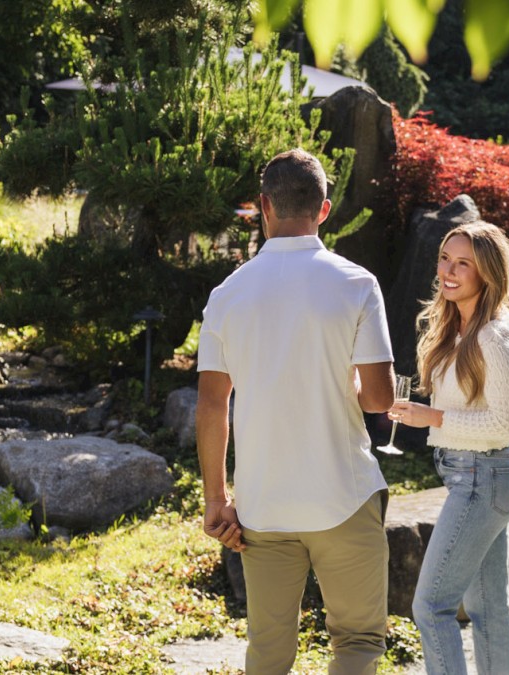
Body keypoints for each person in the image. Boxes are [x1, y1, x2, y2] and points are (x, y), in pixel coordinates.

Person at [195, 148, 397, 674]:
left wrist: (216, 499)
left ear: (264, 205)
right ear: (324, 209)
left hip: (264, 506)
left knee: (268, 650)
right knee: (356, 641)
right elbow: (379, 399)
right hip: (344, 494)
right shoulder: (357, 284)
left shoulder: (226, 294)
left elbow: (213, 402)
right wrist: (343, 380)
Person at [389, 221, 509, 675]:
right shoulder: (461, 327)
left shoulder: (493, 335)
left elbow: (507, 423)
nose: (449, 270)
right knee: (488, 611)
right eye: (445, 258)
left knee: (431, 607)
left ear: (487, 272)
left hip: (481, 478)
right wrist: (425, 413)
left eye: (463, 262)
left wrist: (433, 418)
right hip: (476, 477)